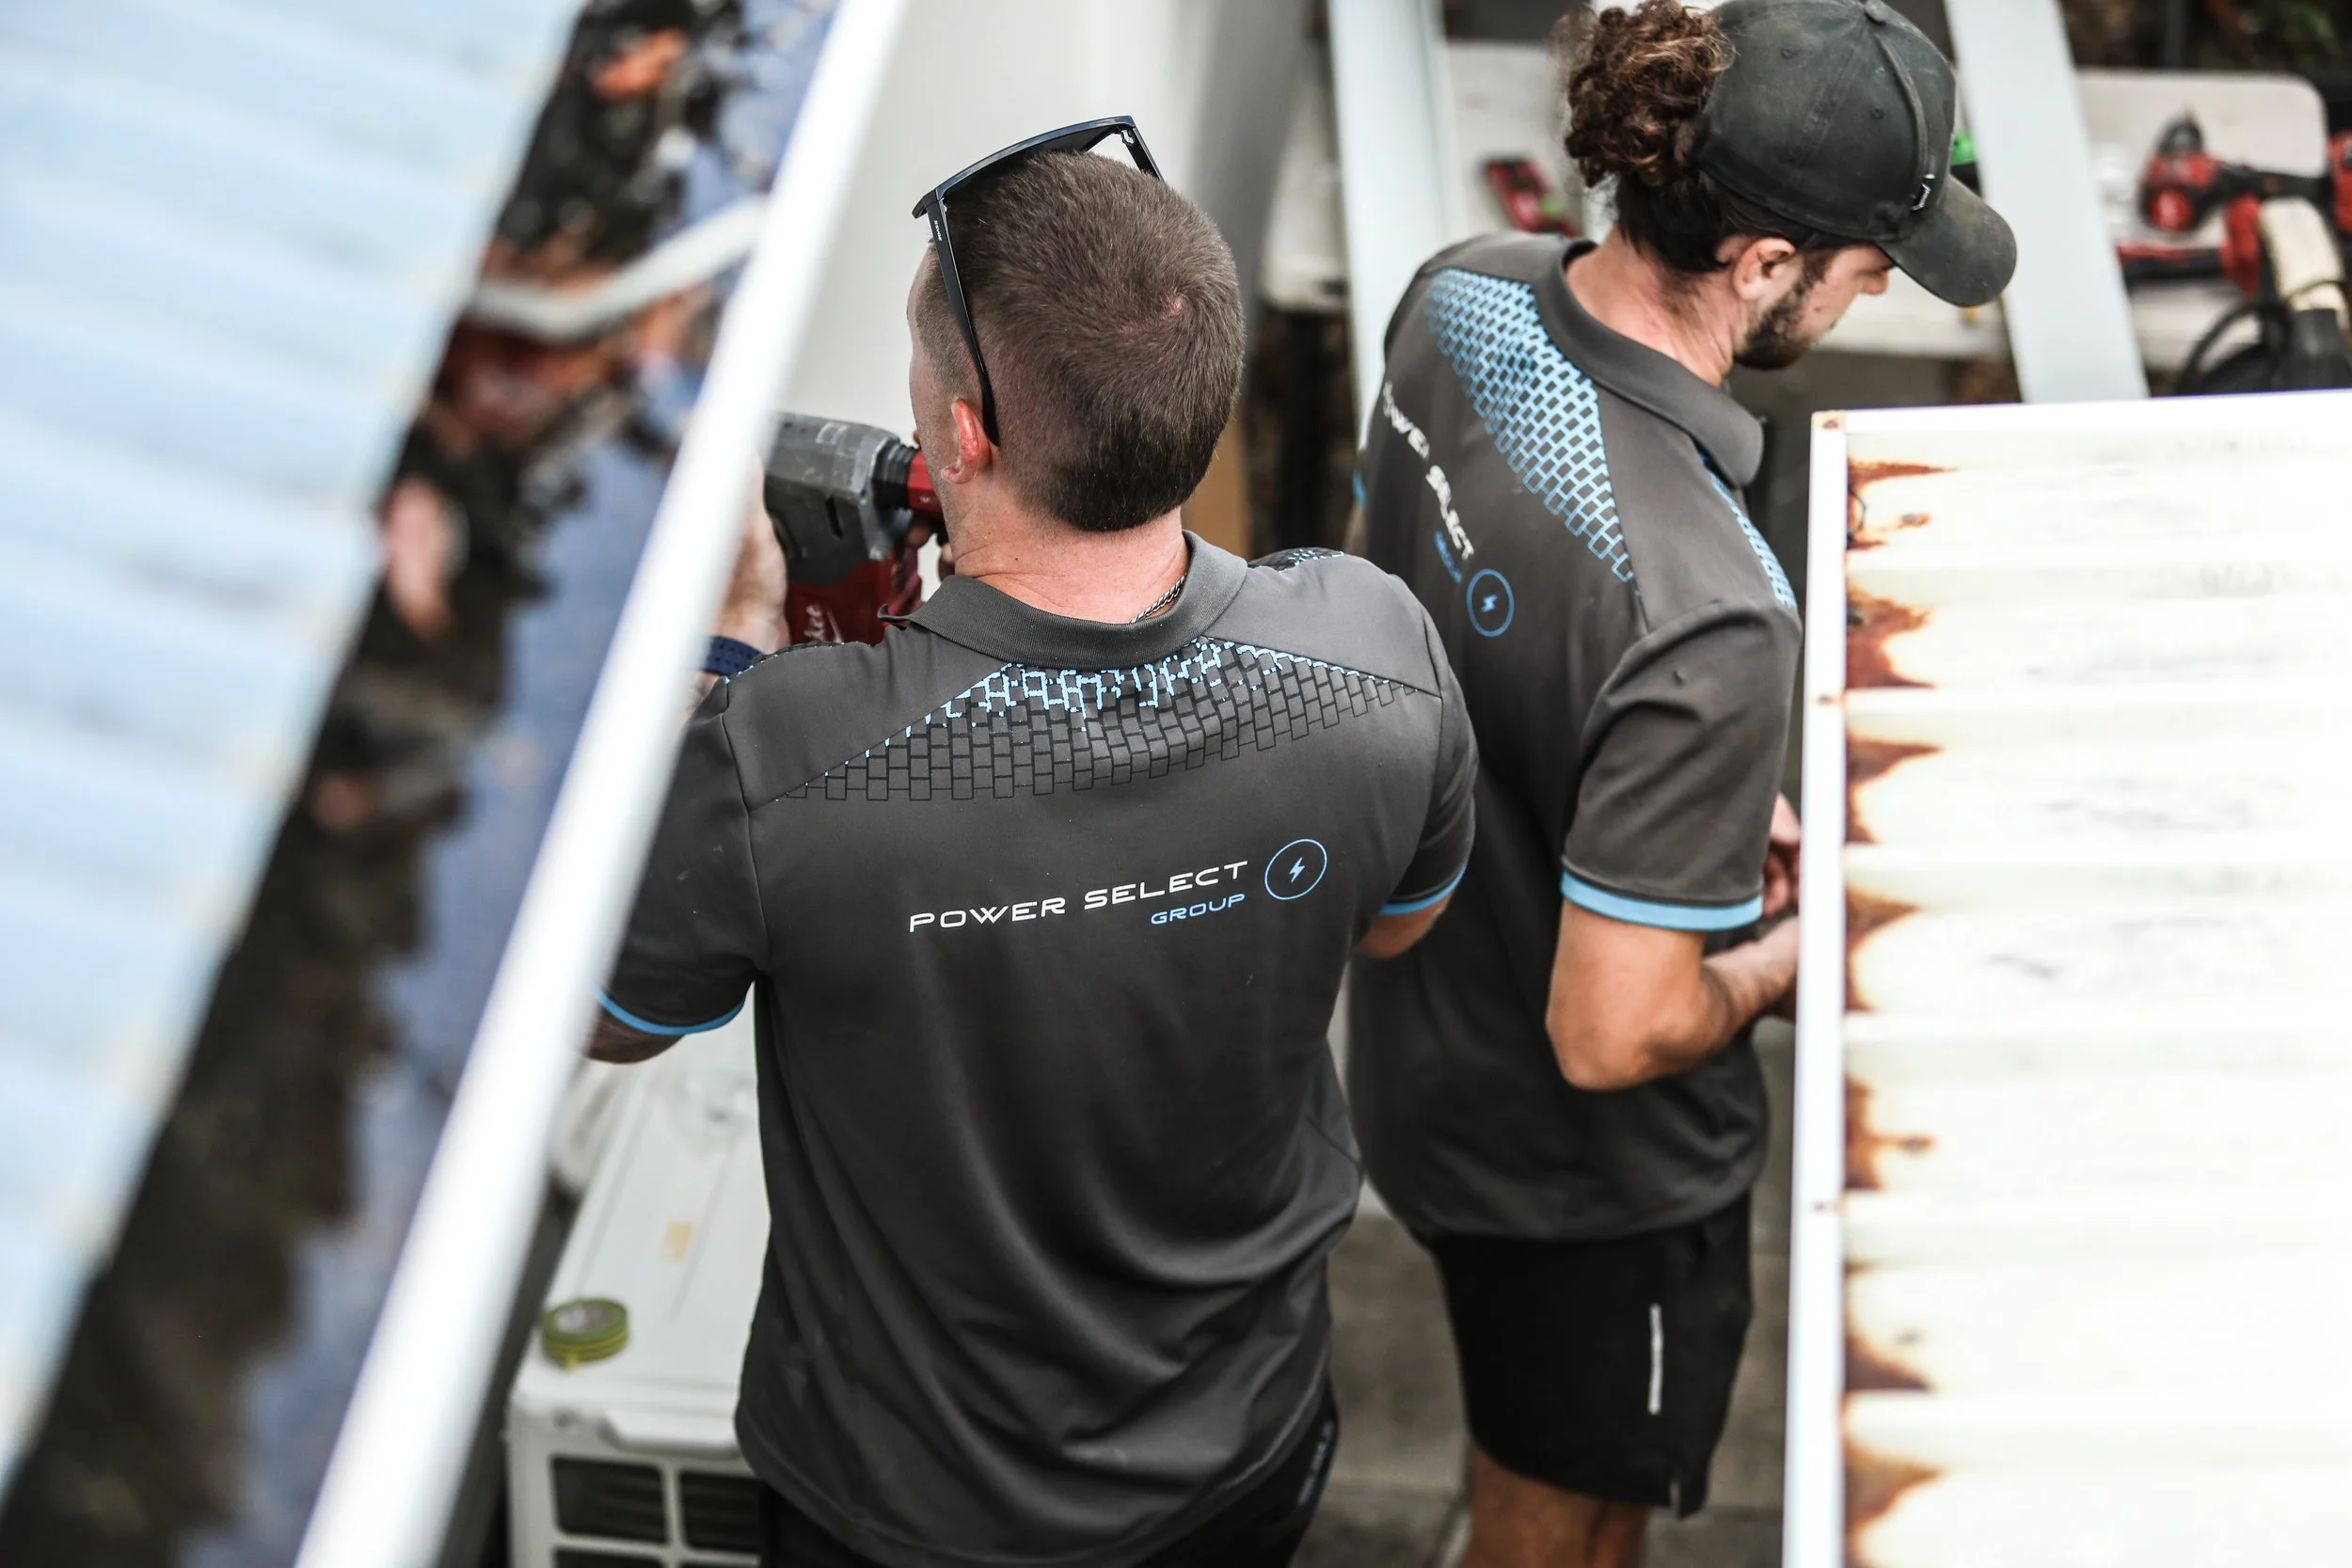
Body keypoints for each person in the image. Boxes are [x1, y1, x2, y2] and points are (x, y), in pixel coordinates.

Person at [593, 124, 1480, 1568]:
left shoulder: (781, 757)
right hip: (1241, 1451)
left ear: (969, 439)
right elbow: (1392, 924)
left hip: (913, 1508)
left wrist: (728, 642)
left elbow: (605, 1016)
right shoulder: (1375, 654)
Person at [1344, 3, 2016, 1565]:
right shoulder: (1711, 611)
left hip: (1426, 1055)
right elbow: (1616, 1026)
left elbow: (1490, 658)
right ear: (1766, 260)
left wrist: (1682, 811)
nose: (1864, 299)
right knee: (1563, 1518)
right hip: (1588, 1189)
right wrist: (1800, 949)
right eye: (1866, 269)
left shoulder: (1460, 297)